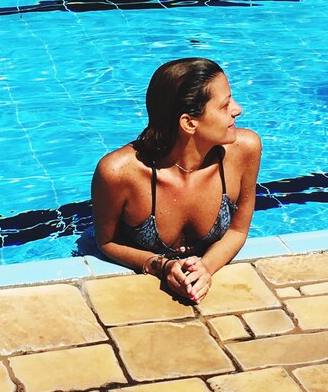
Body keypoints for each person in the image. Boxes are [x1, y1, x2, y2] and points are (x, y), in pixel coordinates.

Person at [90, 57, 261, 303]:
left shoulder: (245, 150)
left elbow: (237, 229)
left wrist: (206, 268)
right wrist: (161, 265)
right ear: (189, 123)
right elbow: (106, 242)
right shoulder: (119, 172)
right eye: (225, 106)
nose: (237, 109)